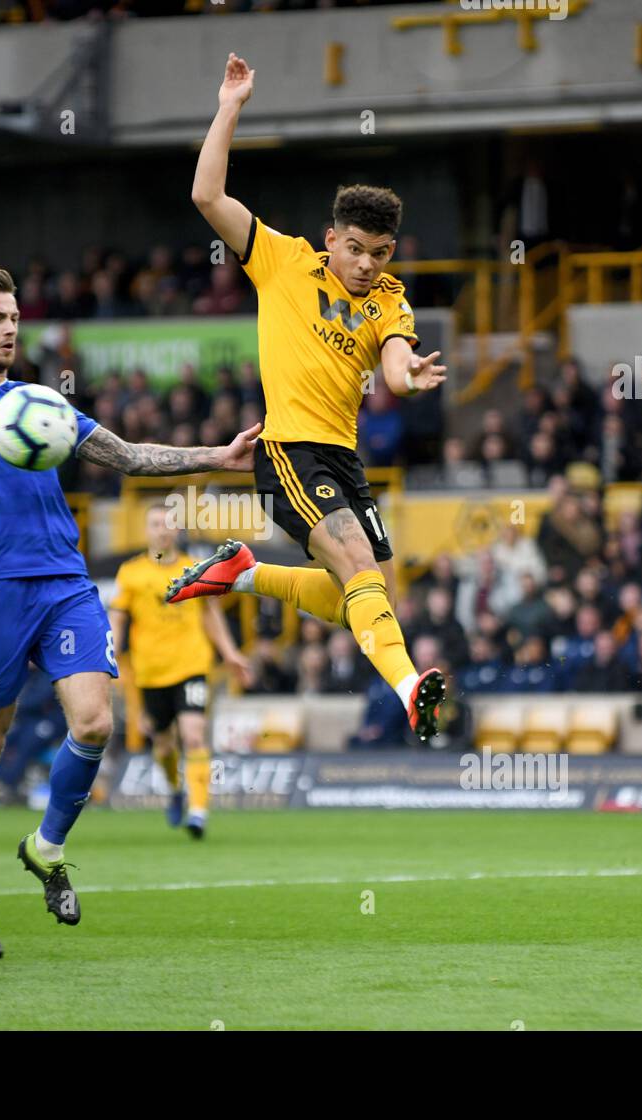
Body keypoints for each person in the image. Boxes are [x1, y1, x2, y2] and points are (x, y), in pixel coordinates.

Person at [0, 266, 258, 959]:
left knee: (94, 720)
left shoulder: (37, 403)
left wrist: (218, 457)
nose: (8, 327)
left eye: (14, 316)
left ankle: (45, 847)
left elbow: (127, 455)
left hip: (64, 578)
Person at [168, 53, 447, 743]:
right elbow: (207, 197)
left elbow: (395, 359)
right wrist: (230, 104)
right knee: (358, 571)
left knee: (371, 590)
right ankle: (412, 687)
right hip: (288, 449)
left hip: (343, 460)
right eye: (355, 249)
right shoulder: (284, 260)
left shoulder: (388, 299)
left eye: (380, 253)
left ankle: (243, 574)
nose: (366, 265)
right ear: (331, 241)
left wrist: (408, 376)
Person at [109, 505, 252, 839]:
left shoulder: (195, 569)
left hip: (192, 665)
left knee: (192, 733)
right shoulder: (130, 573)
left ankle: (198, 811)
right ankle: (175, 789)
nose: (161, 530)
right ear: (146, 529)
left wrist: (230, 654)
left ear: (176, 531)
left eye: (167, 524)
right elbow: (118, 617)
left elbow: (211, 615)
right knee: (162, 744)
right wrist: (111, 653)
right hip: (150, 672)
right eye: (155, 524)